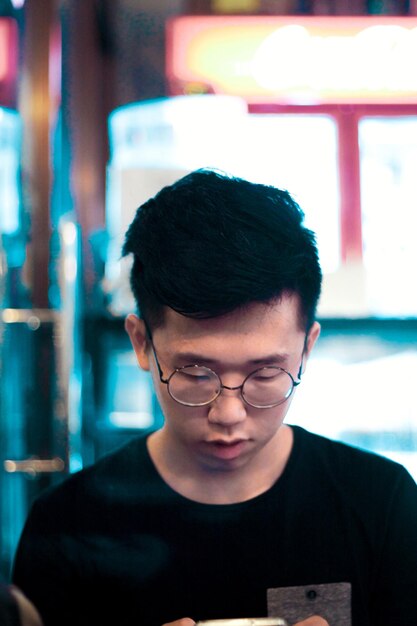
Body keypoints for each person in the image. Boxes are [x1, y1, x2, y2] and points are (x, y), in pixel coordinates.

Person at [12, 170, 417, 626]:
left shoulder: (381, 503)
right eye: (195, 373)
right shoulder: (69, 525)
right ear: (142, 343)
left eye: (265, 373)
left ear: (308, 347)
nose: (227, 414)